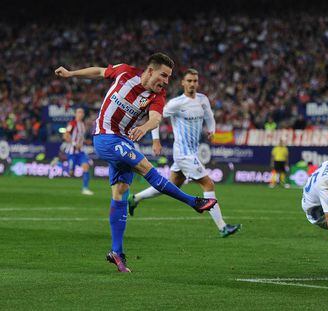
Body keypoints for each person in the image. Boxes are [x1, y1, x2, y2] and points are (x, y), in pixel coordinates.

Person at [55, 53, 217, 273]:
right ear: (150, 71)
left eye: (169, 77)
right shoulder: (124, 72)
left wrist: (145, 127)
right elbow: (100, 71)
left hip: (122, 140)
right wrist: (71, 73)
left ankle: (116, 252)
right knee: (145, 168)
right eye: (164, 75)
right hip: (104, 136)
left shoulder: (156, 96)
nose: (166, 81)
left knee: (120, 192)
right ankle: (193, 202)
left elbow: (156, 118)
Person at [128, 68, 241, 237]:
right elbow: (155, 118)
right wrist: (156, 140)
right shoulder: (176, 103)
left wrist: (212, 129)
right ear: (183, 83)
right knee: (208, 184)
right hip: (183, 153)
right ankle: (222, 227)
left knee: (171, 186)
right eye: (189, 81)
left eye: (195, 81)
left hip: (191, 152)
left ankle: (135, 198)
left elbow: (209, 116)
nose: (192, 84)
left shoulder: (203, 100)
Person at [63, 107, 93, 195]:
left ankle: (85, 188)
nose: (81, 114)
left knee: (86, 167)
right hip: (71, 151)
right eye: (79, 112)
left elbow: (80, 138)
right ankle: (57, 164)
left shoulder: (83, 125)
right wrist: (74, 144)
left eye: (82, 112)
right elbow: (66, 135)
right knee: (71, 173)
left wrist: (85, 142)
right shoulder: (72, 123)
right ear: (75, 114)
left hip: (80, 152)